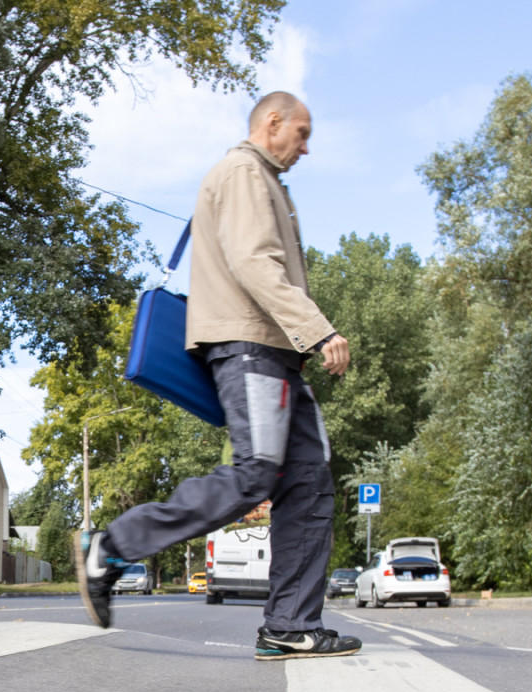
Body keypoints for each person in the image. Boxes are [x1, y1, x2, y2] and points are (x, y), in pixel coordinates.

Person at [74, 91, 359, 660]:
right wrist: (319, 330)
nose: (307, 146)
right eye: (301, 133)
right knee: (256, 475)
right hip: (251, 347)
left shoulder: (264, 179)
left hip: (279, 354)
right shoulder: (243, 172)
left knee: (308, 481)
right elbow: (256, 263)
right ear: (271, 122)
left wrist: (299, 341)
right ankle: (112, 546)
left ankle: (290, 623)